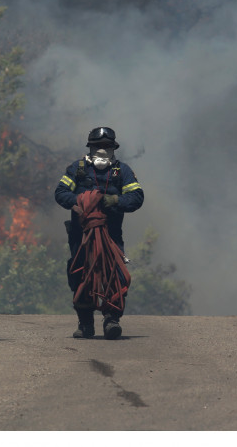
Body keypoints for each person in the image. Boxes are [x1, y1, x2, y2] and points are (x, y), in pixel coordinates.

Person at [55, 127, 144, 340]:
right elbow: (60, 193)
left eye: (107, 146)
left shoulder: (122, 171)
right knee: (80, 275)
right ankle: (85, 323)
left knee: (116, 275)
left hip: (111, 235)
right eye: (98, 146)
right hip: (81, 235)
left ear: (114, 148)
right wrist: (79, 202)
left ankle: (112, 319)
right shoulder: (77, 169)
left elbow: (137, 197)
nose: (102, 150)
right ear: (90, 147)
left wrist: (115, 201)